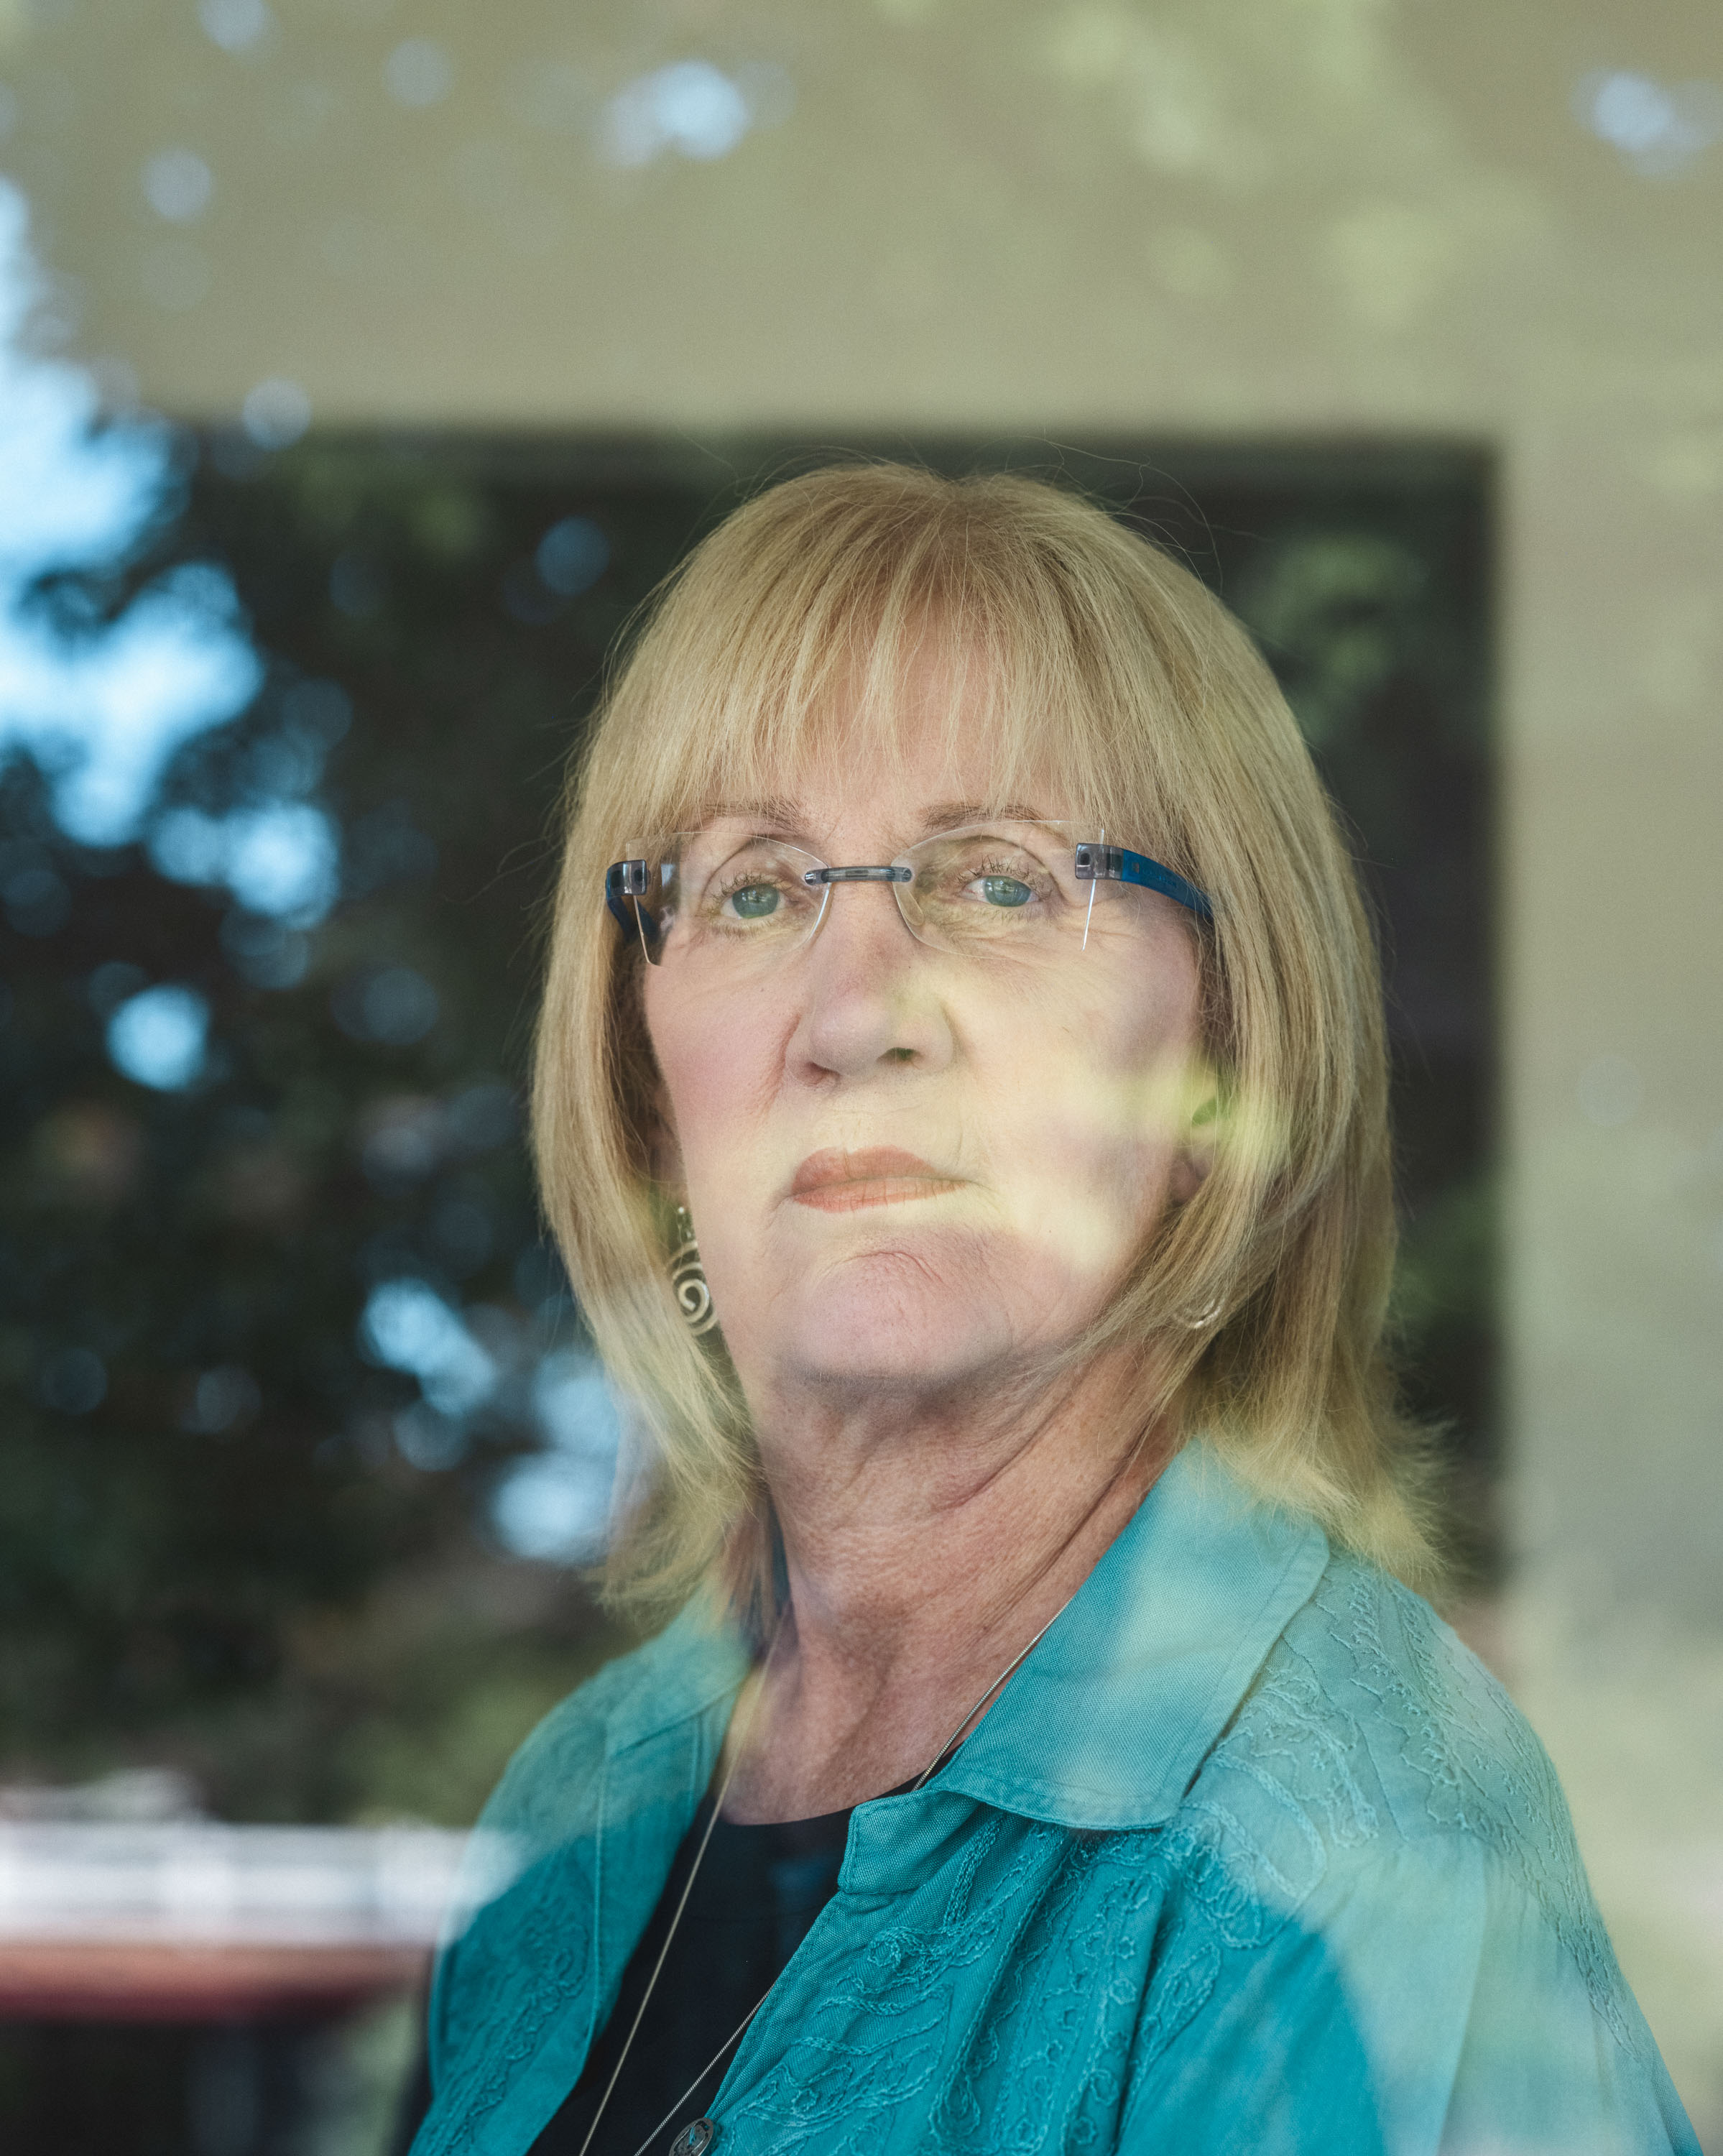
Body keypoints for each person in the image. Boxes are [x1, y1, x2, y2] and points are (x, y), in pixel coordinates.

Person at [406, 465, 1697, 2156]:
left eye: (999, 881)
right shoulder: (578, 1806)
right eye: (750, 886)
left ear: (1218, 1074)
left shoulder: (1348, 1840)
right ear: (651, 1108)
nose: (853, 1011)